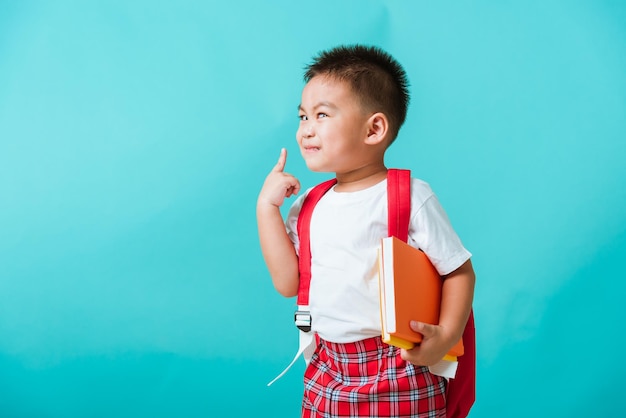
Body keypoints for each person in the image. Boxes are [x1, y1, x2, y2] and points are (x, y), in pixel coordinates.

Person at [257, 44, 475, 418]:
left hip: (402, 367)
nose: (305, 130)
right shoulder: (309, 204)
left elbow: (458, 270)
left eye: (321, 115)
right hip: (329, 366)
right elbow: (288, 283)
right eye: (302, 116)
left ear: (374, 128)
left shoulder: (409, 197)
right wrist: (267, 210)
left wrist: (448, 335)